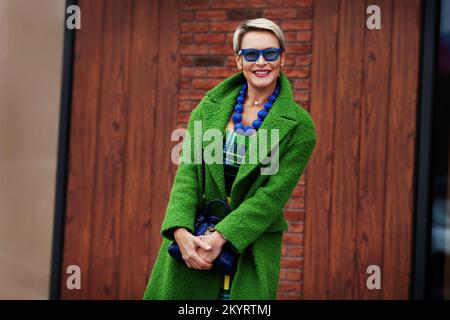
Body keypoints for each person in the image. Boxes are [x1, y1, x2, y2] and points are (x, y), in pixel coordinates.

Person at [143, 18, 317, 300]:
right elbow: (187, 174)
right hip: (194, 239)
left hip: (250, 246)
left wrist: (222, 235)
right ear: (239, 61)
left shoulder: (300, 126)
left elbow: (271, 197)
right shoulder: (209, 107)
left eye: (270, 53)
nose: (261, 62)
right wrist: (179, 230)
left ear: (282, 57)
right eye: (251, 54)